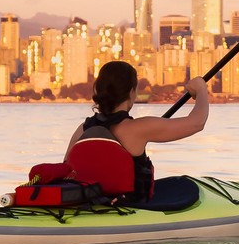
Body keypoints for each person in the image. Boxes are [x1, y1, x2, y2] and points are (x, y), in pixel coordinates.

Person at [63, 61, 209, 204]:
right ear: (131, 92)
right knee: (185, 186)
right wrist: (201, 89)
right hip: (129, 205)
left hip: (90, 202)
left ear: (97, 90)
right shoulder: (139, 128)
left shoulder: (82, 129)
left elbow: (65, 169)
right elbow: (196, 123)